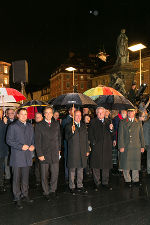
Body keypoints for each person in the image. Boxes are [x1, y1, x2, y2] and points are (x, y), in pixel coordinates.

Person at [6, 108, 35, 209]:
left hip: (27, 156)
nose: (24, 116)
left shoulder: (30, 126)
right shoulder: (12, 126)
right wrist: (20, 146)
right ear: (17, 115)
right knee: (16, 179)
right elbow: (8, 140)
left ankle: (25, 194)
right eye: (22, 114)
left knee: (25, 178)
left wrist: (33, 146)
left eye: (25, 114)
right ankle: (17, 197)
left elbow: (33, 140)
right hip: (17, 157)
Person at [35, 106, 61, 201]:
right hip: (44, 154)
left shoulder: (56, 124)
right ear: (44, 114)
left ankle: (53, 190)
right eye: (47, 113)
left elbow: (59, 138)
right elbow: (37, 141)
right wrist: (39, 154)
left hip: (54, 153)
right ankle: (46, 192)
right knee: (44, 175)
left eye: (50, 112)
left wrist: (59, 150)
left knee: (55, 173)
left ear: (52, 113)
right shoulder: (39, 125)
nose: (49, 114)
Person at [88, 107, 114, 191]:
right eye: (98, 112)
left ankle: (105, 182)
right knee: (96, 166)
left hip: (106, 147)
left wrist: (111, 129)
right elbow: (90, 135)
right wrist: (93, 143)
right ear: (96, 113)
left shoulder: (108, 121)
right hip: (97, 147)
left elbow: (112, 135)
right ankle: (97, 183)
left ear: (104, 113)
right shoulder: (93, 122)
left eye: (102, 112)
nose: (100, 114)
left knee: (106, 165)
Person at [118, 109, 145, 187]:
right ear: (127, 113)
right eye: (129, 112)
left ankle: (135, 179)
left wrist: (142, 146)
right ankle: (127, 180)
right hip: (126, 146)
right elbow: (120, 136)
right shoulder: (122, 122)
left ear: (134, 112)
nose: (130, 113)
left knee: (135, 163)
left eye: (132, 111)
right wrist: (121, 146)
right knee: (126, 163)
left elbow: (141, 135)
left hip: (136, 146)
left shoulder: (138, 122)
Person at [65, 110, 89, 194]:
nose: (78, 117)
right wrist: (72, 131)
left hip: (82, 150)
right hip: (73, 151)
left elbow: (86, 138)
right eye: (76, 115)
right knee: (72, 170)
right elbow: (66, 138)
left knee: (80, 169)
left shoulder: (83, 125)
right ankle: (72, 186)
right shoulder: (69, 126)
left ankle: (80, 185)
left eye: (80, 115)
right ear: (73, 116)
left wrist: (87, 149)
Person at [62, 107, 76, 182]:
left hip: (75, 143)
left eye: (75, 111)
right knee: (67, 158)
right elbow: (64, 131)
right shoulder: (65, 120)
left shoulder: (76, 119)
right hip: (68, 143)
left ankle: (74, 176)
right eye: (73, 111)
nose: (74, 112)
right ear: (69, 111)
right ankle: (67, 176)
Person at [112, 110, 127, 175]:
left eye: (126, 112)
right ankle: (120, 169)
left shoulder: (127, 119)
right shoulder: (116, 119)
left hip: (126, 139)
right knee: (120, 154)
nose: (125, 113)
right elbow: (114, 130)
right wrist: (114, 139)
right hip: (119, 138)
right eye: (124, 112)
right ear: (121, 112)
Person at [0, 109, 8, 193]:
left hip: (1, 150)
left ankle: (1, 184)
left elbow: (6, 135)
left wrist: (5, 124)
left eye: (1, 113)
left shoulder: (3, 122)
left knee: (1, 168)